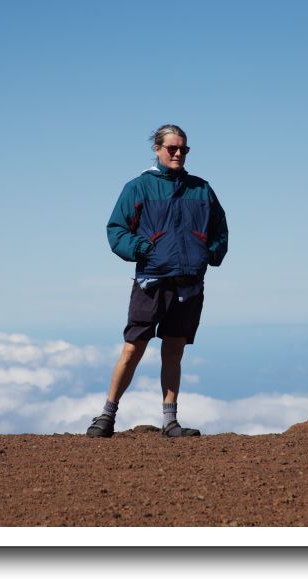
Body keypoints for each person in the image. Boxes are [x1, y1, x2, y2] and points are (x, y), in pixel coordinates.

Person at [87, 124, 228, 438]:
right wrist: (141, 248)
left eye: (183, 149)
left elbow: (220, 230)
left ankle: (170, 422)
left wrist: (209, 254)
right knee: (132, 348)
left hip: (189, 283)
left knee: (174, 350)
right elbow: (116, 230)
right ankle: (106, 416)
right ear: (157, 149)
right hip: (151, 281)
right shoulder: (138, 187)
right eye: (172, 149)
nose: (178, 154)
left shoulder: (201, 189)